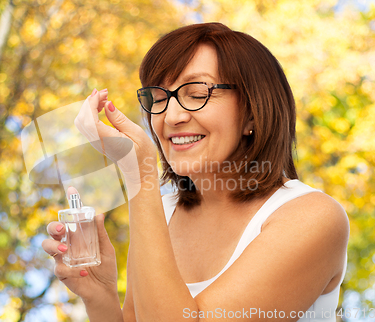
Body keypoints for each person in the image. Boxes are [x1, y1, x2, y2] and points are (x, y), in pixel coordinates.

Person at [41, 22, 349, 321]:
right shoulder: (161, 211)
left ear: (252, 112)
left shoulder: (313, 217)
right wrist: (101, 296)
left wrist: (140, 175)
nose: (171, 116)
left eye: (197, 93)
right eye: (159, 98)